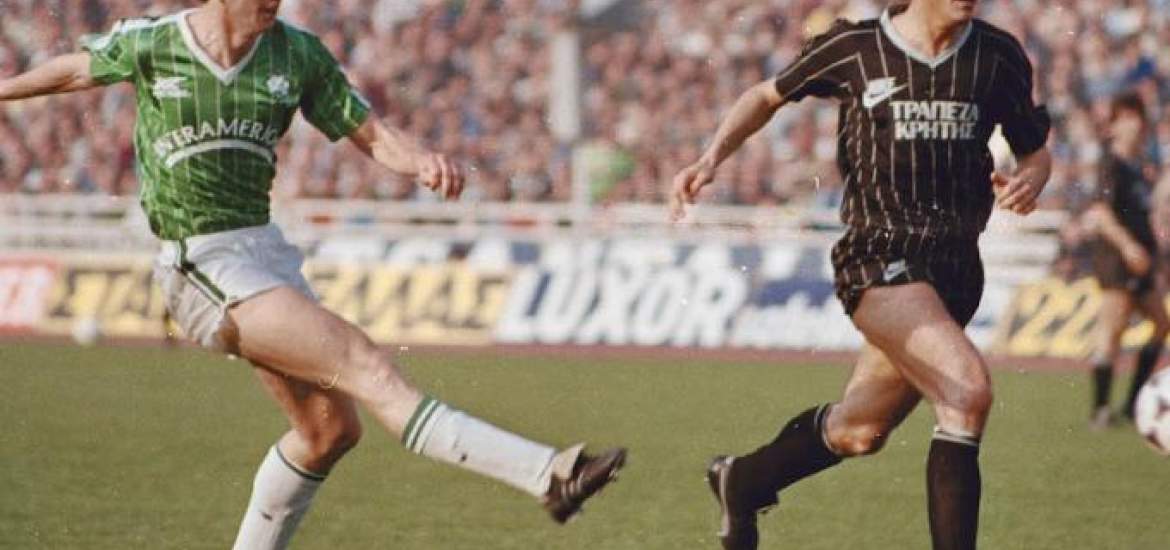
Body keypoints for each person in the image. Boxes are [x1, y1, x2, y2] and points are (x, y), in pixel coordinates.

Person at [0, 1, 626, 547]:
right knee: (368, 366)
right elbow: (75, 69)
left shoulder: (297, 54)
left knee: (329, 432)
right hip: (201, 258)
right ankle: (548, 474)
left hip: (264, 252)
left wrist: (419, 163)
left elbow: (368, 131)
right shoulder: (156, 42)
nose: (274, 2)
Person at [670, 0, 1052, 548]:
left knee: (860, 430)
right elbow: (766, 95)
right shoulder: (856, 48)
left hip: (957, 271)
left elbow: (1035, 154)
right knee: (966, 393)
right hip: (877, 257)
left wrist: (1032, 180)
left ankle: (743, 481)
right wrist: (710, 159)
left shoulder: (997, 57)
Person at [1083, 93, 1169, 429]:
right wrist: (1129, 246)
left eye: (1138, 117)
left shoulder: (1140, 167)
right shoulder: (1111, 164)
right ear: (1114, 126)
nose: (1135, 125)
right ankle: (1100, 409)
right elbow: (1101, 212)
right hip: (1117, 258)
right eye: (1127, 118)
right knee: (1113, 327)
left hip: (1142, 258)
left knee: (1161, 322)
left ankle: (1133, 402)